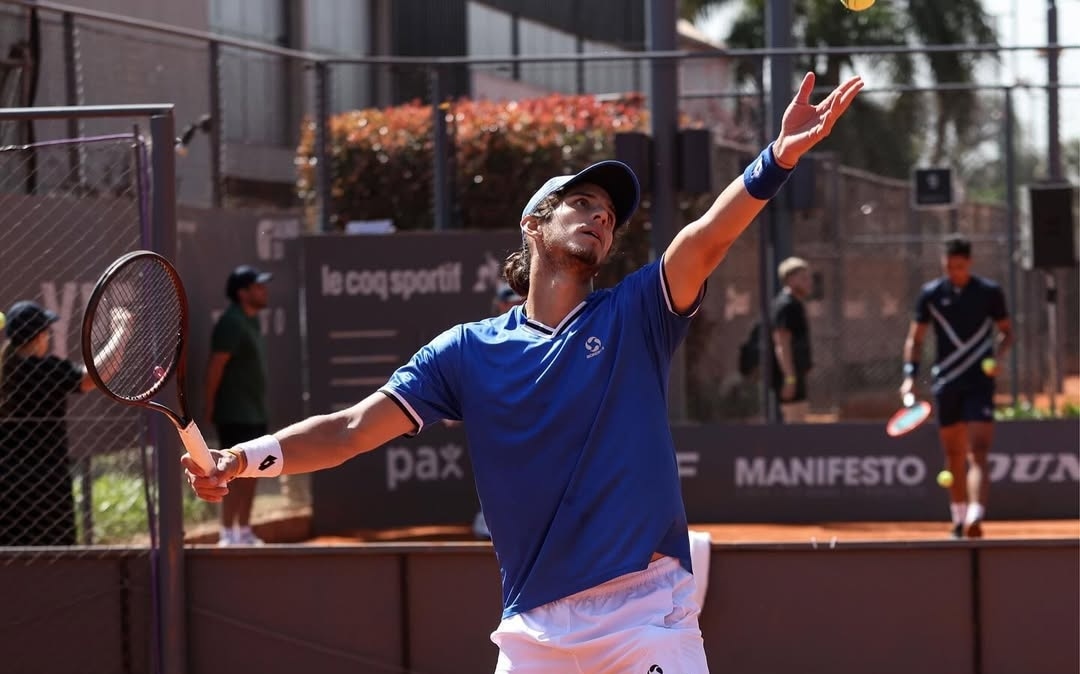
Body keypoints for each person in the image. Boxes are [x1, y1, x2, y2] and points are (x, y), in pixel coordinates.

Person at [185, 72, 863, 671]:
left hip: (647, 616)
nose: (600, 215)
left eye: (609, 214)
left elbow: (705, 238)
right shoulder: (465, 352)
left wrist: (776, 160)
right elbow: (352, 429)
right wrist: (242, 459)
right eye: (581, 203)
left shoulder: (636, 315)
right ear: (533, 224)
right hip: (533, 633)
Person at [901, 235, 1013, 539]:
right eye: (949, 266)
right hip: (946, 383)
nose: (954, 271)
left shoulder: (990, 293)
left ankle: (976, 515)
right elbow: (916, 339)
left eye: (960, 266)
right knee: (952, 456)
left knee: (978, 451)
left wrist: (999, 357)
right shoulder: (931, 295)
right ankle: (959, 518)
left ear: (970, 263)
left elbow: (1006, 332)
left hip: (979, 381)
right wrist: (910, 376)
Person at [0, 300, 129, 546]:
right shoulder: (43, 369)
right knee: (55, 563)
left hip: (6, 489)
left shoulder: (6, 370)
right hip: (46, 486)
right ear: (39, 336)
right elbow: (93, 377)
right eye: (47, 331)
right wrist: (122, 330)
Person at [205, 265, 273, 546]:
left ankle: (244, 530)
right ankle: (226, 533)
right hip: (234, 413)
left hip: (255, 412)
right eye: (257, 286)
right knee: (230, 473)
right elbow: (216, 366)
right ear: (242, 293)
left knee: (253, 472)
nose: (263, 290)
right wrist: (209, 405)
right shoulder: (230, 322)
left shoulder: (252, 321)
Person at [470, 283, 527, 539]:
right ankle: (489, 517)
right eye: (510, 302)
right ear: (500, 305)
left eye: (518, 301)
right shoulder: (485, 340)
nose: (515, 306)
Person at [770, 256, 814, 422]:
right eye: (803, 278)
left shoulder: (795, 304)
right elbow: (781, 343)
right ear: (790, 280)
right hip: (788, 379)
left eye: (809, 277)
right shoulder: (786, 305)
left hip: (796, 377)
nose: (809, 282)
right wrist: (790, 379)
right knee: (794, 428)